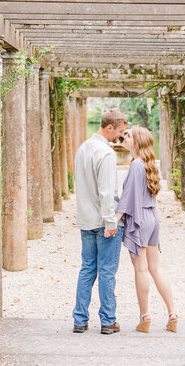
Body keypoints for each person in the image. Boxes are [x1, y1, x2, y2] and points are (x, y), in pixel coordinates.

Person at [115, 125, 177, 333]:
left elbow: (127, 198)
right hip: (152, 218)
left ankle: (145, 317)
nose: (124, 136)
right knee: (156, 268)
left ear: (138, 141)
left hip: (140, 220)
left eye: (129, 135)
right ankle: (172, 314)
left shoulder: (136, 165)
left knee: (141, 269)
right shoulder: (148, 164)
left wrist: (114, 220)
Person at [72, 108, 128, 335]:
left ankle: (79, 320)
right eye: (120, 132)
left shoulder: (83, 148)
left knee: (87, 269)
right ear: (109, 127)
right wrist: (111, 223)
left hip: (86, 220)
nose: (121, 137)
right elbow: (106, 193)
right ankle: (108, 321)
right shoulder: (105, 153)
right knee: (106, 271)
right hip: (103, 222)